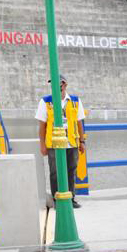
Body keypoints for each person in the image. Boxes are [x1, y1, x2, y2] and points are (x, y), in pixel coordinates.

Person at [36, 74, 86, 208]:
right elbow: (42, 126)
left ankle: (71, 198)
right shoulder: (45, 102)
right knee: (55, 171)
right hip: (54, 143)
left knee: (71, 170)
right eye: (51, 84)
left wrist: (82, 141)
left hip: (72, 142)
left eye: (56, 83)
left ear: (64, 84)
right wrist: (42, 145)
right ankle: (57, 199)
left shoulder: (75, 101)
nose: (53, 86)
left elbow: (79, 122)